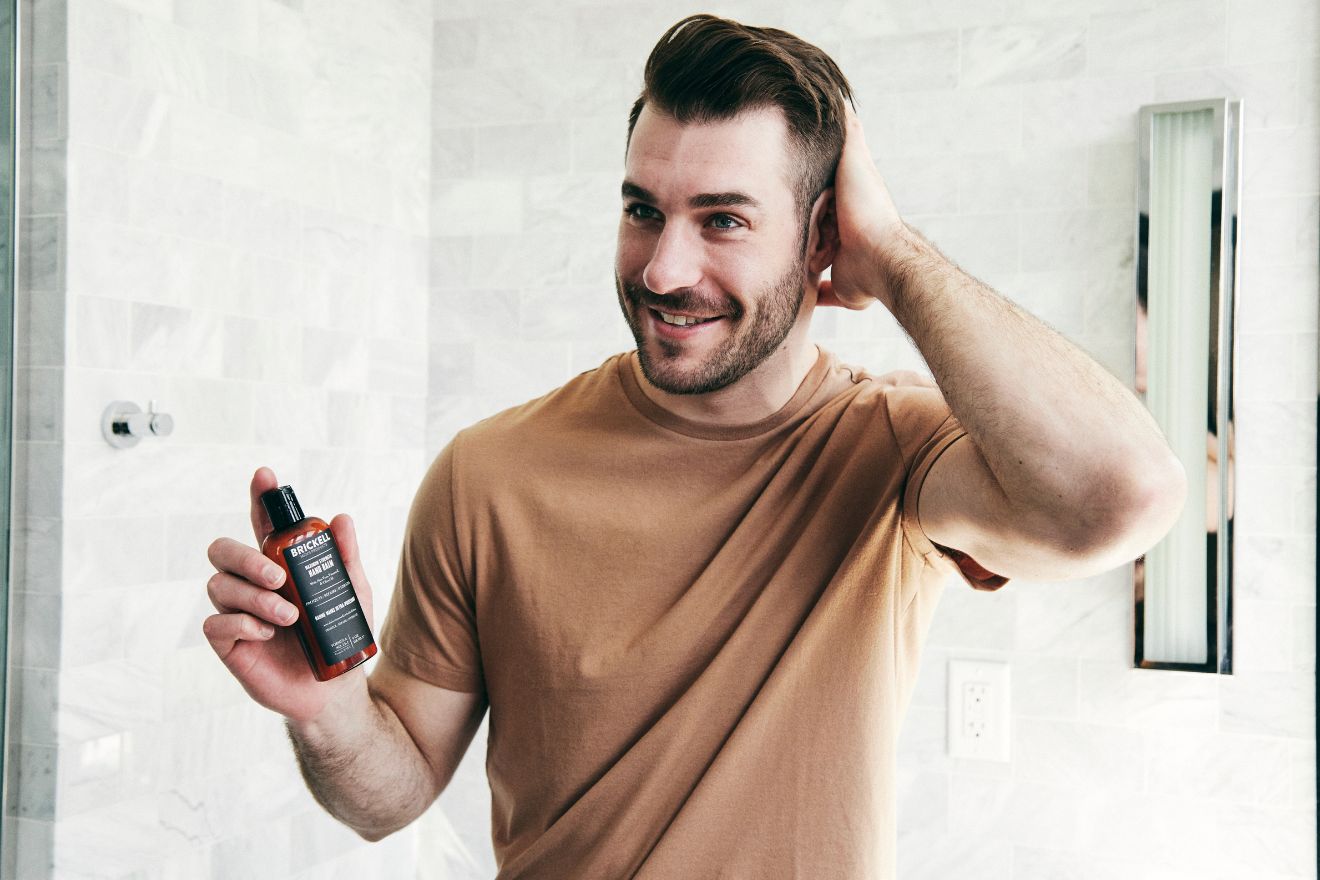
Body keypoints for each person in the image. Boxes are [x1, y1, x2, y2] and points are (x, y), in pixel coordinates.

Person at [204, 14, 1186, 878]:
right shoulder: (486, 473)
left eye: (722, 220)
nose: (664, 268)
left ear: (819, 239)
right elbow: (391, 793)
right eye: (643, 211)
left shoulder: (894, 453)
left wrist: (894, 254)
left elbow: (1126, 493)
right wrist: (326, 713)